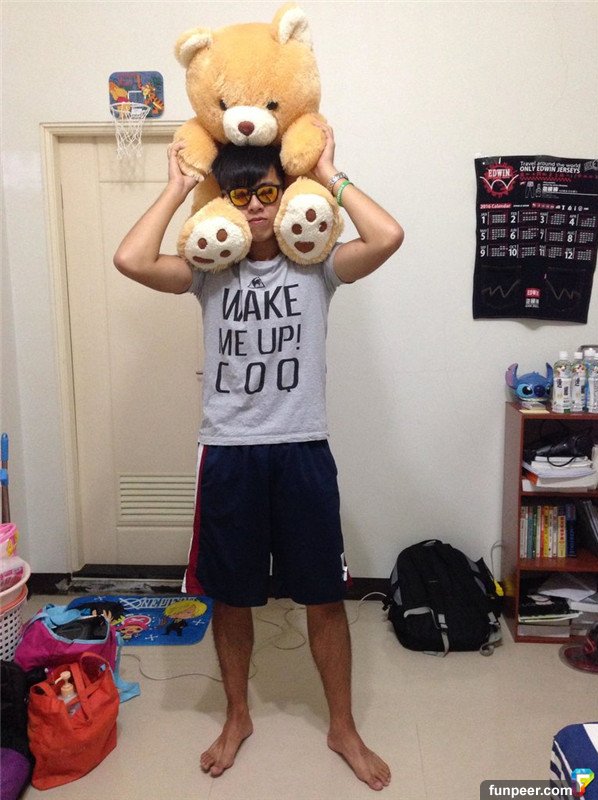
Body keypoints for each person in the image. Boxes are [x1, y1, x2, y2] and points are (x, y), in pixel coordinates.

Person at [113, 124, 404, 792]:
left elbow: (387, 236)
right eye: (239, 195)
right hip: (230, 454)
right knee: (232, 597)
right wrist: (177, 188)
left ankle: (343, 727)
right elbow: (130, 258)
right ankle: (237, 717)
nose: (254, 208)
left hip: (302, 449)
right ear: (223, 201)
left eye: (267, 193)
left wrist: (326, 174)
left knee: (324, 598)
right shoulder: (208, 270)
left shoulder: (317, 266)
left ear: (287, 193)